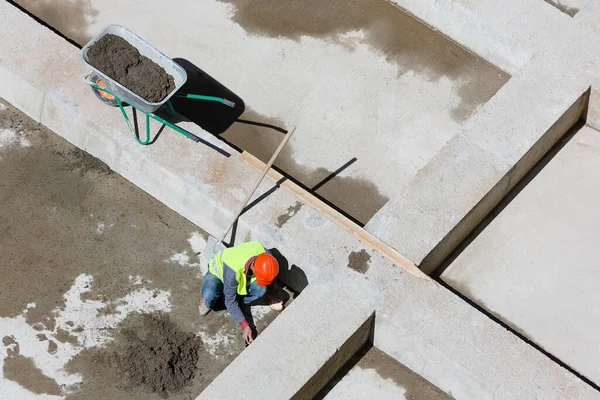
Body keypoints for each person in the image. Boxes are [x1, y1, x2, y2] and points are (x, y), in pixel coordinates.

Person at [198, 241, 283, 343]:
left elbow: (270, 276)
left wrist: (271, 294)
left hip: (241, 277)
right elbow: (230, 301)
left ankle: (238, 300)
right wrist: (245, 326)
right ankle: (207, 299)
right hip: (218, 273)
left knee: (261, 290)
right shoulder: (233, 271)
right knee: (210, 295)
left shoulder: (267, 257)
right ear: (254, 268)